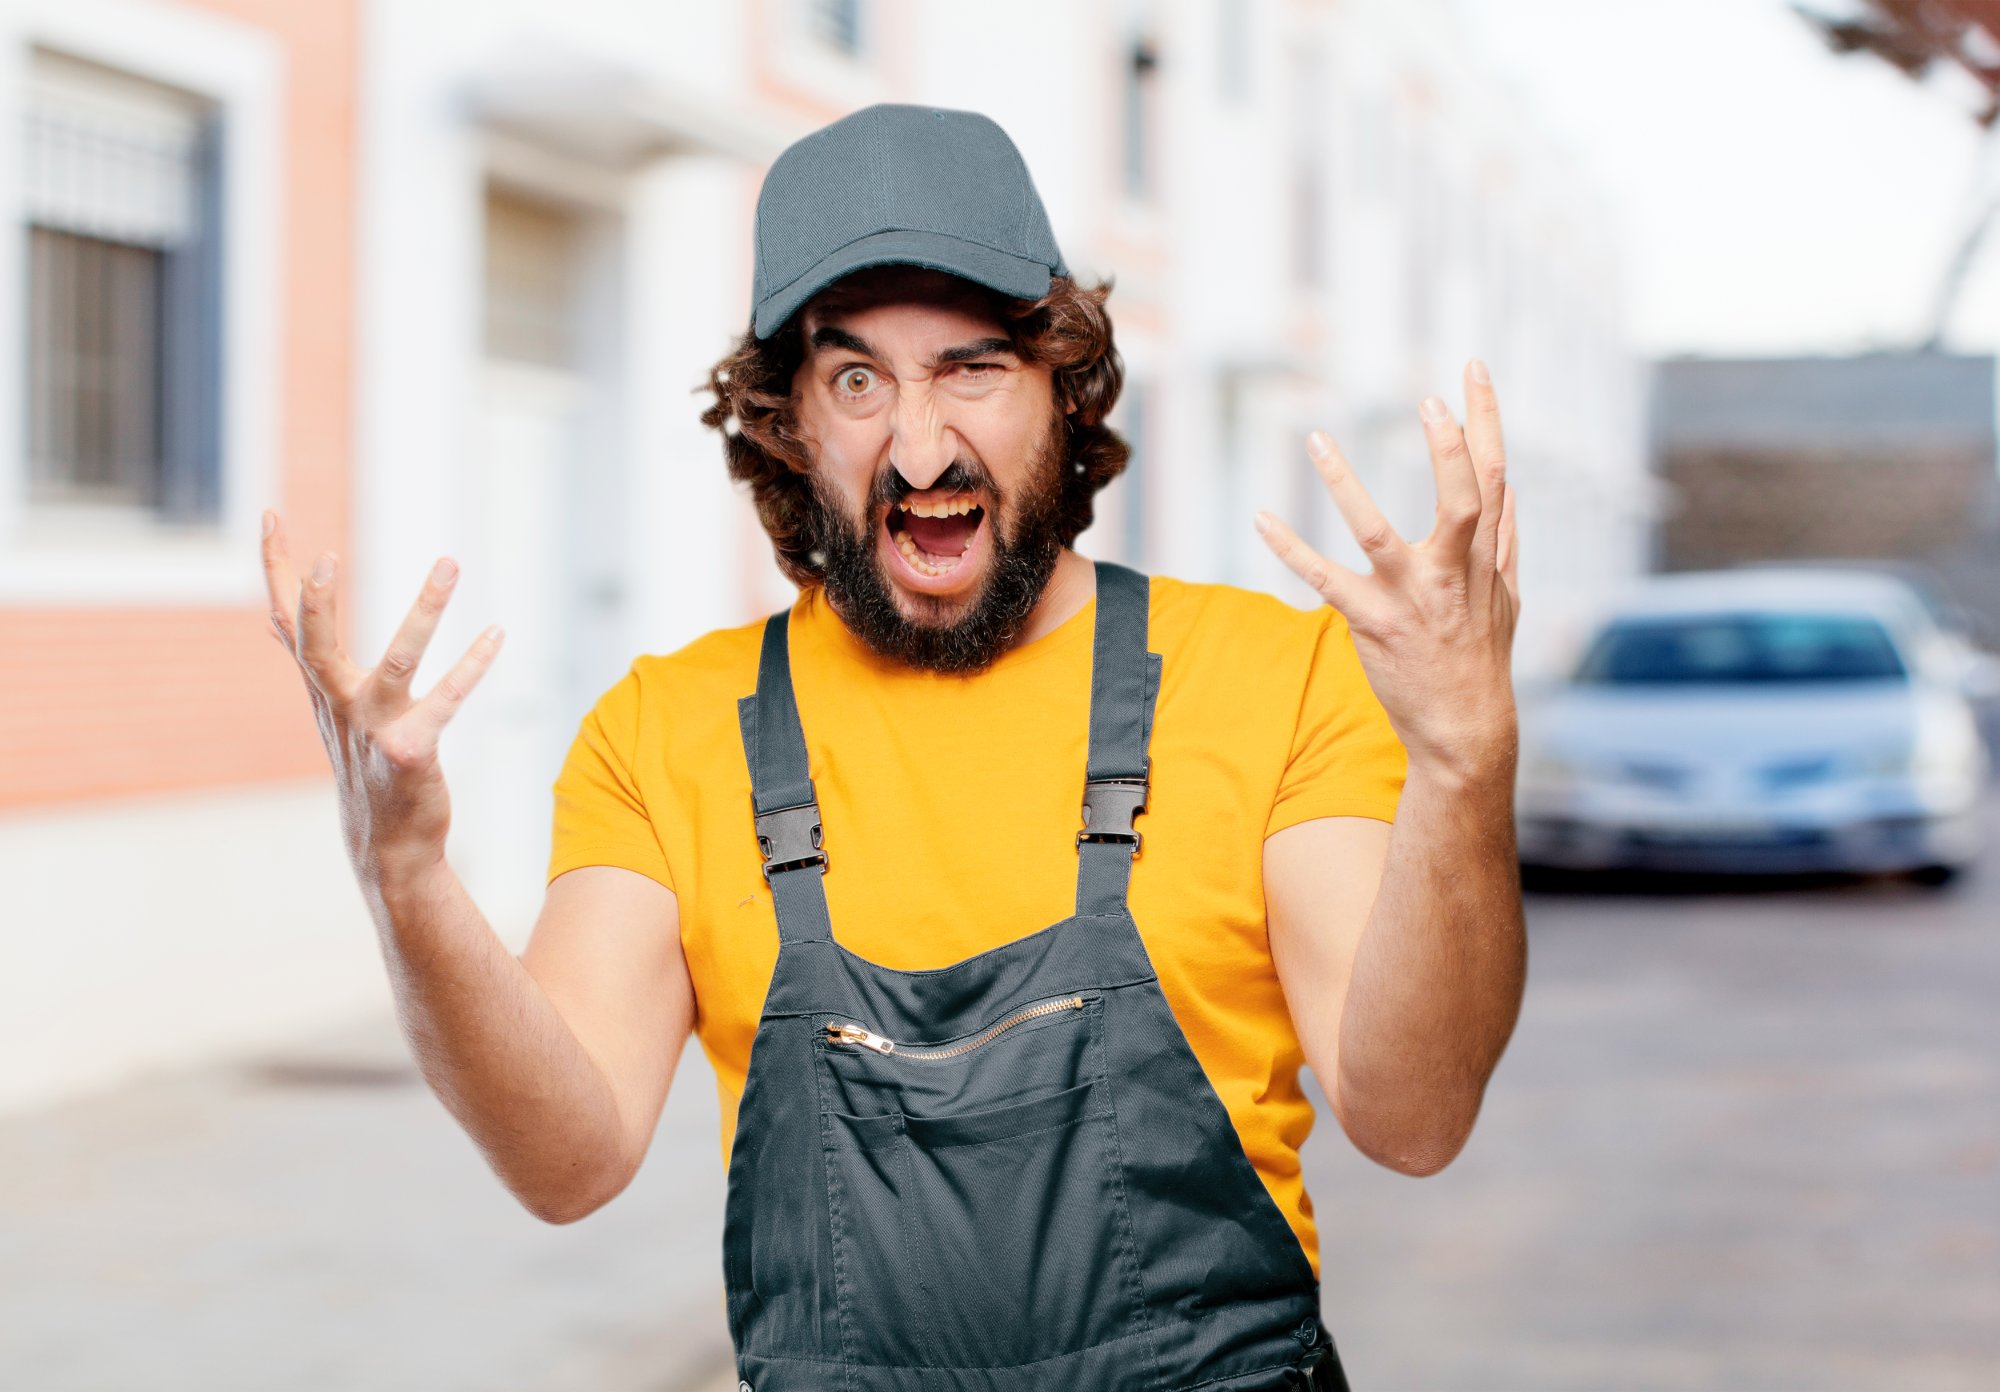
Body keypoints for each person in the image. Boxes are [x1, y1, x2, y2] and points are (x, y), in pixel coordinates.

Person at [261, 103, 1526, 1392]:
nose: (921, 447)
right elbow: (565, 1164)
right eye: (858, 379)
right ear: (789, 423)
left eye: (972, 367)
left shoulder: (1275, 677)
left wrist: (1465, 760)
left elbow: (1414, 1120)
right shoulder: (667, 730)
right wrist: (404, 879)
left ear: (1062, 391)